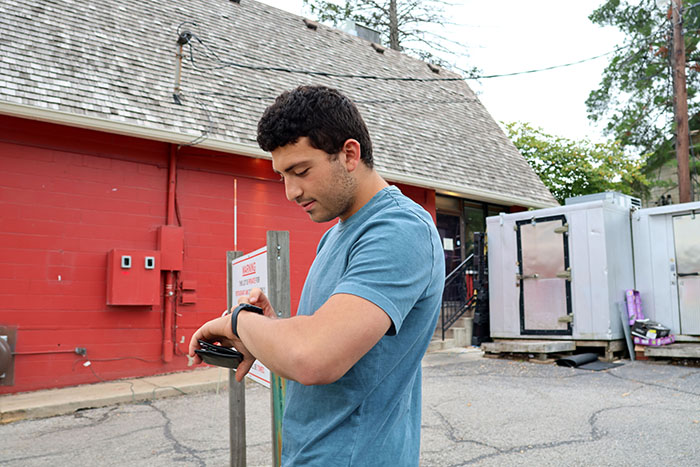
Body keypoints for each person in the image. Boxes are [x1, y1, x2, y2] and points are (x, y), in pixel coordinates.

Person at [189, 85, 445, 466]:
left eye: (301, 171)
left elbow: (314, 358)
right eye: (282, 176)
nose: (291, 192)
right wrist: (272, 330)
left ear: (349, 154)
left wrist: (238, 324)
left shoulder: (398, 230)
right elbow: (321, 341)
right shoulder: (337, 233)